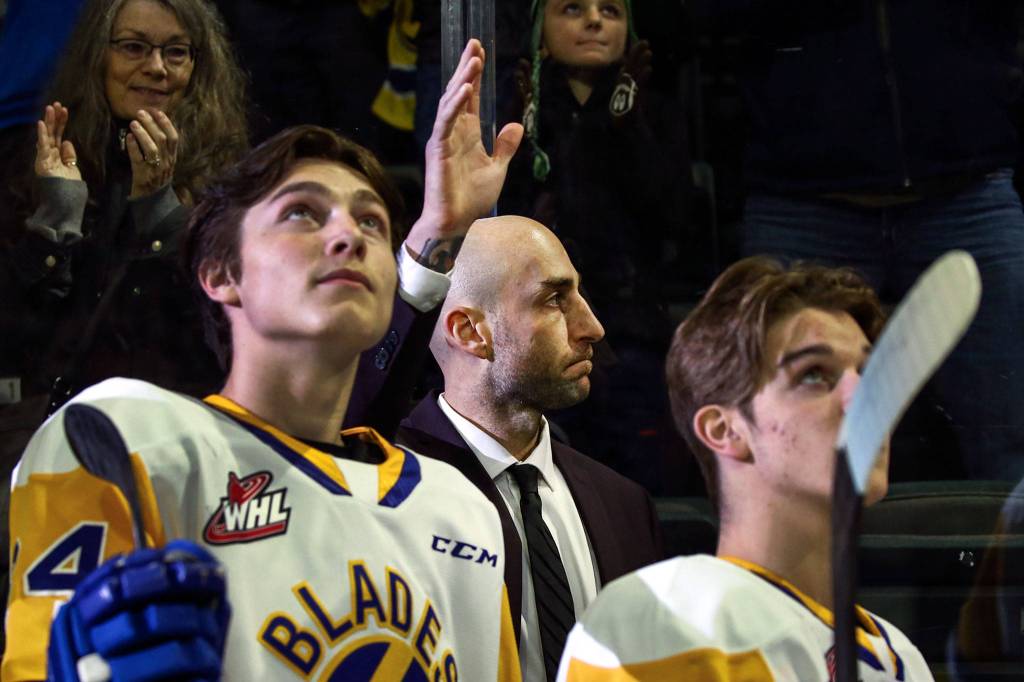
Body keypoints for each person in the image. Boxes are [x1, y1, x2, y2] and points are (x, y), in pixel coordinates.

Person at [4, 40, 525, 681]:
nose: (347, 235)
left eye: (371, 224)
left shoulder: (464, 511)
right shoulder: (122, 439)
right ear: (221, 274)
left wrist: (442, 226)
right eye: (302, 213)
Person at [693, 0, 1024, 482]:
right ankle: (785, 558)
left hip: (967, 188)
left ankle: (1007, 559)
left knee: (1008, 422)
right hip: (803, 197)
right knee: (779, 425)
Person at [557, 258, 933, 680]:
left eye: (867, 371)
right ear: (725, 430)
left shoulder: (899, 654)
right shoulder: (665, 615)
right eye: (814, 374)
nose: (864, 396)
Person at [397, 216, 664, 682]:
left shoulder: (625, 505)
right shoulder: (384, 493)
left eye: (579, 295)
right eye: (554, 299)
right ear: (469, 332)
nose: (593, 327)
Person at [499, 0, 691, 491]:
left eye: (611, 10)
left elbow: (672, 219)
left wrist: (628, 126)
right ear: (540, 33)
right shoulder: (513, 107)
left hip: (631, 330)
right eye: (572, 9)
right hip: (532, 326)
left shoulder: (657, 107)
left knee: (640, 475)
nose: (593, 21)